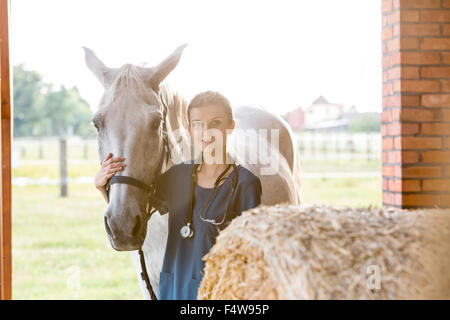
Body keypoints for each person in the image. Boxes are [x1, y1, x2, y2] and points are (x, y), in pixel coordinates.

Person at [95, 90, 262, 300]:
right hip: (174, 290)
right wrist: (102, 186)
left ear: (231, 127)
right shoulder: (177, 176)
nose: (206, 132)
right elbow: (139, 215)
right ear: (190, 130)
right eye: (198, 124)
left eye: (216, 123)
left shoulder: (246, 184)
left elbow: (251, 252)